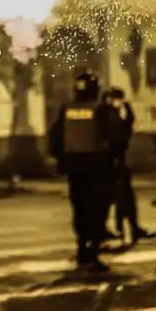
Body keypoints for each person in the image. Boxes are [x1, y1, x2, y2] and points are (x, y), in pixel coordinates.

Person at [48, 69, 119, 273]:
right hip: (97, 165)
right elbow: (113, 135)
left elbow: (55, 137)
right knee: (97, 209)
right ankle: (93, 252)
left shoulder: (67, 108)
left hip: (74, 166)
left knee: (79, 208)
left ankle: (81, 248)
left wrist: (62, 160)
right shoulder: (101, 109)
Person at [105, 88, 156, 244]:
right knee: (116, 196)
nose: (118, 102)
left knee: (126, 195)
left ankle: (132, 227)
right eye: (116, 99)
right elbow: (114, 132)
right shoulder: (106, 113)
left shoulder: (123, 110)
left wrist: (125, 110)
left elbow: (128, 126)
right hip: (109, 160)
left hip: (120, 159)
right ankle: (119, 229)